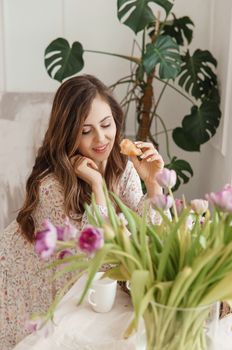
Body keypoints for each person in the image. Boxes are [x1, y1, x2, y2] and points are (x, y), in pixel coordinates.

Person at [0, 74, 164, 349]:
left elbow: (153, 240)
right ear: (67, 133)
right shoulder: (51, 187)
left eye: (106, 124)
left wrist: (153, 185)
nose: (101, 139)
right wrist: (98, 187)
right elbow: (96, 261)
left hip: (86, 287)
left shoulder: (123, 166)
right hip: (20, 287)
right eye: (86, 131)